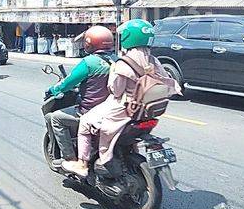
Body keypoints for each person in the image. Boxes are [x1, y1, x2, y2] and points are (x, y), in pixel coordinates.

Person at [62, 19, 181, 177]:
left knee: (84, 122)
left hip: (124, 109)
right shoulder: (154, 61)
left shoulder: (123, 64)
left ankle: (82, 163)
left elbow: (116, 91)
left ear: (127, 38)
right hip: (146, 111)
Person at [44, 26, 116, 167]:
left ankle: (69, 159)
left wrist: (52, 90)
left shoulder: (89, 62)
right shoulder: (117, 60)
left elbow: (66, 84)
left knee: (55, 118)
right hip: (113, 110)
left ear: (90, 43)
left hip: (90, 111)